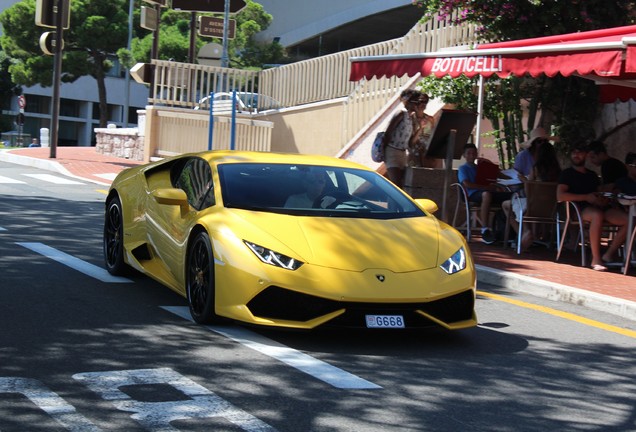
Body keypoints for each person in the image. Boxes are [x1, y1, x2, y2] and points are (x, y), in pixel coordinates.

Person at [556, 142, 628, 271]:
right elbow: (560, 196)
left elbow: (596, 191)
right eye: (573, 152)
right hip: (578, 209)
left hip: (598, 207)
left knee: (629, 220)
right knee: (597, 215)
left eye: (579, 152)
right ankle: (596, 258)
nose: (576, 155)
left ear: (586, 155)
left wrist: (603, 196)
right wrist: (586, 197)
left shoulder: (592, 175)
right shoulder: (567, 174)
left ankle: (608, 254)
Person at [503, 138, 561, 250]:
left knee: (506, 205)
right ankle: (530, 235)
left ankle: (525, 233)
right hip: (552, 208)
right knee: (525, 207)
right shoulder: (558, 171)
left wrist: (524, 180)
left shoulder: (535, 169)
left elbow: (530, 189)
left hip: (534, 206)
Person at [457, 143, 512, 244]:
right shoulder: (462, 168)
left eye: (474, 153)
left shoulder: (481, 167)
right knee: (486, 194)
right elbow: (467, 184)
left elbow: (499, 174)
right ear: (464, 155)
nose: (471, 155)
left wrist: (489, 163)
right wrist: (486, 188)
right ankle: (484, 229)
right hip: (472, 195)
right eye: (468, 153)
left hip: (487, 192)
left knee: (511, 196)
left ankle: (509, 232)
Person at [408, 91, 436, 168]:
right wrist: (420, 128)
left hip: (428, 154)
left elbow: (433, 137)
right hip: (415, 155)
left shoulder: (430, 119)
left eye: (426, 101)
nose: (424, 104)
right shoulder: (410, 119)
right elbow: (411, 143)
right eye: (421, 101)